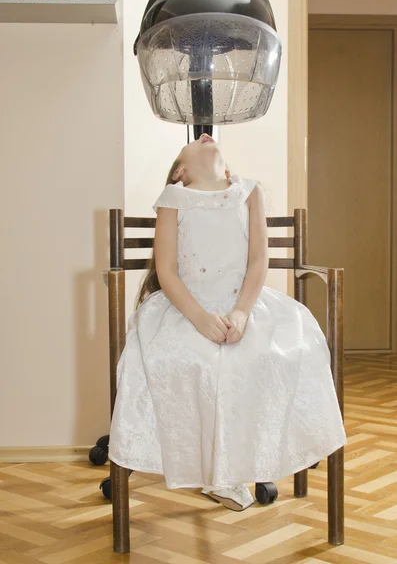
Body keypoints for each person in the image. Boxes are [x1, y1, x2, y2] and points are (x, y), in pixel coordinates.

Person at [108, 134, 347, 512]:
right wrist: (201, 318)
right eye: (196, 141)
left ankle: (242, 466)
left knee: (269, 357)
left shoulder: (250, 192)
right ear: (181, 171)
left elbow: (258, 261)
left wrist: (241, 312)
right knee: (195, 362)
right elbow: (166, 271)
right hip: (188, 307)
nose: (206, 134)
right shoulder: (173, 198)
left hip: (245, 304)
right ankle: (217, 473)